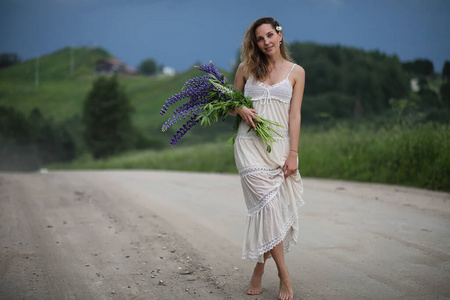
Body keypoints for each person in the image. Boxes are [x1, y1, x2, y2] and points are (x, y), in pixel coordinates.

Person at [230, 17, 305, 300]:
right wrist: (242, 110)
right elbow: (230, 106)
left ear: (280, 36)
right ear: (255, 43)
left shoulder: (297, 72)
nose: (266, 42)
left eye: (270, 35)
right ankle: (284, 276)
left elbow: (295, 115)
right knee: (267, 208)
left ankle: (259, 268)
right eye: (260, 39)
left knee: (269, 211)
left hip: (278, 148)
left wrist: (294, 153)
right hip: (248, 145)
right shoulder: (246, 68)